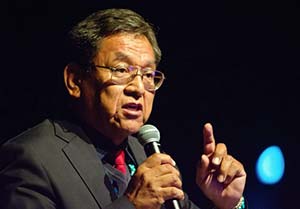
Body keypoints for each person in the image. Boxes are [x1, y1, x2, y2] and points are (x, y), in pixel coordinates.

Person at [0, 8, 247, 209]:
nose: (138, 88)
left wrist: (227, 203)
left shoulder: (147, 156)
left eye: (148, 75)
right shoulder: (32, 158)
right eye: (120, 70)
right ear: (75, 80)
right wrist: (131, 205)